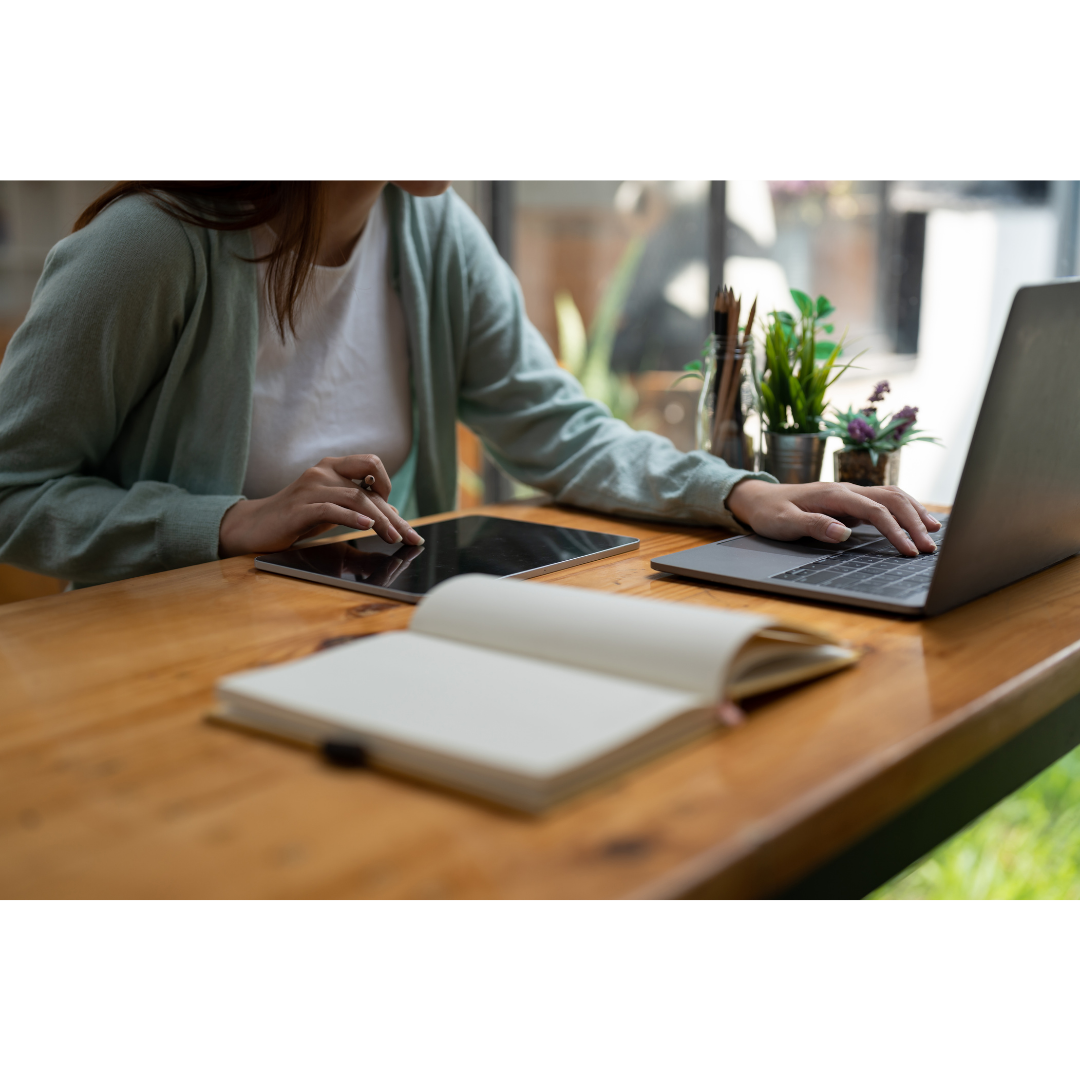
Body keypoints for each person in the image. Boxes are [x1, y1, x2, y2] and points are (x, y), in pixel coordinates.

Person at [0, 180, 939, 587]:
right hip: (168, 665)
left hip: (365, 640)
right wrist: (224, 523)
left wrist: (738, 492)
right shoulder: (151, 247)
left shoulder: (432, 232)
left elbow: (559, 427)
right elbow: (13, 491)